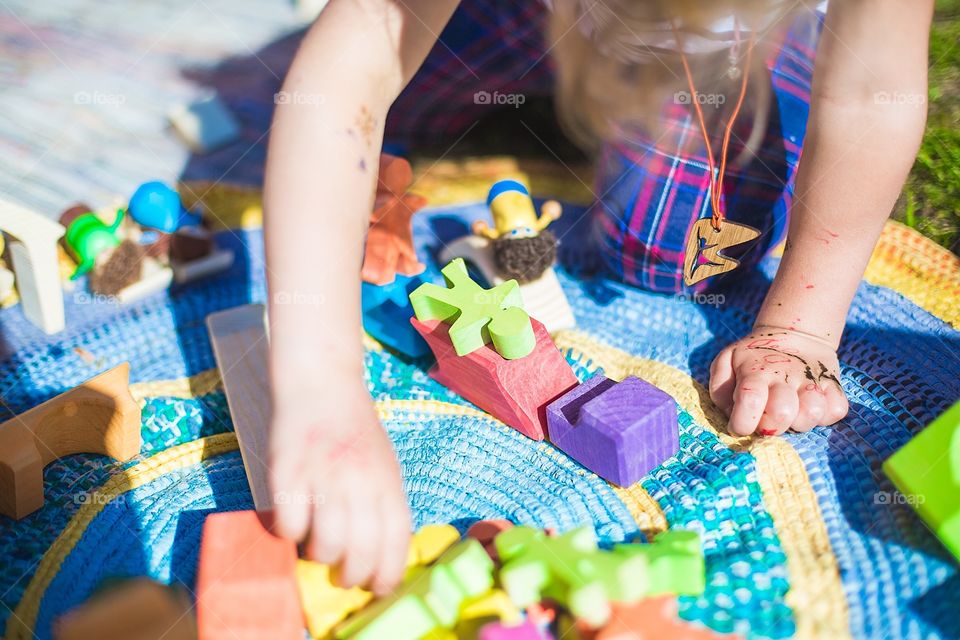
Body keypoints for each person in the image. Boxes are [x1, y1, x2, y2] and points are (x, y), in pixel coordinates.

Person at [262, 0, 933, 593]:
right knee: (337, 108)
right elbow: (354, 66)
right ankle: (545, 58)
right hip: (557, 19)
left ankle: (607, 76)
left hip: (731, 48)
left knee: (673, 251)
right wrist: (319, 389)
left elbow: (876, 93)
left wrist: (802, 329)